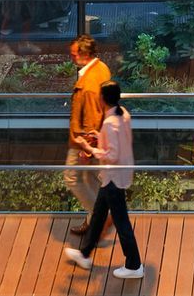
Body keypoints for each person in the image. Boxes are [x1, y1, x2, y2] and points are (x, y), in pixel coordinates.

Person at [62, 82, 145, 281]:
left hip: (113, 176)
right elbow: (116, 142)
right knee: (99, 214)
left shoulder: (109, 123)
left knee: (121, 222)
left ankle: (134, 265)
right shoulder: (123, 113)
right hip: (117, 174)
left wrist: (88, 147)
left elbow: (111, 154)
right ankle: (85, 254)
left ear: (103, 99)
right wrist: (98, 136)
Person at [64, 35, 113, 234]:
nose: (71, 58)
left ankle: (99, 217)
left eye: (74, 54)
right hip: (95, 140)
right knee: (90, 178)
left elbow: (92, 119)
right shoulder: (101, 68)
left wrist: (86, 150)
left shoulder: (89, 85)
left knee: (72, 178)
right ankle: (94, 218)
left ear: (84, 55)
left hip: (82, 142)